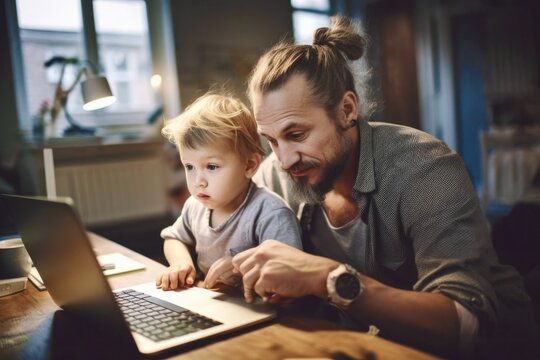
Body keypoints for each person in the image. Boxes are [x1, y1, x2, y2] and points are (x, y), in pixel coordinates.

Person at [205, 16, 538, 359]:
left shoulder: (425, 169)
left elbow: (465, 325)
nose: (285, 159)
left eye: (296, 134)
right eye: (271, 141)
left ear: (347, 109)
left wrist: (329, 278)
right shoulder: (276, 174)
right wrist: (240, 267)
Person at [157, 93, 302, 291]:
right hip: (214, 303)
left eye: (212, 166)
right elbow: (173, 237)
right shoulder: (195, 206)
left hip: (262, 311)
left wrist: (243, 267)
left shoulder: (271, 214)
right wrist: (180, 262)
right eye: (189, 166)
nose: (198, 181)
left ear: (249, 165)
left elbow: (292, 272)